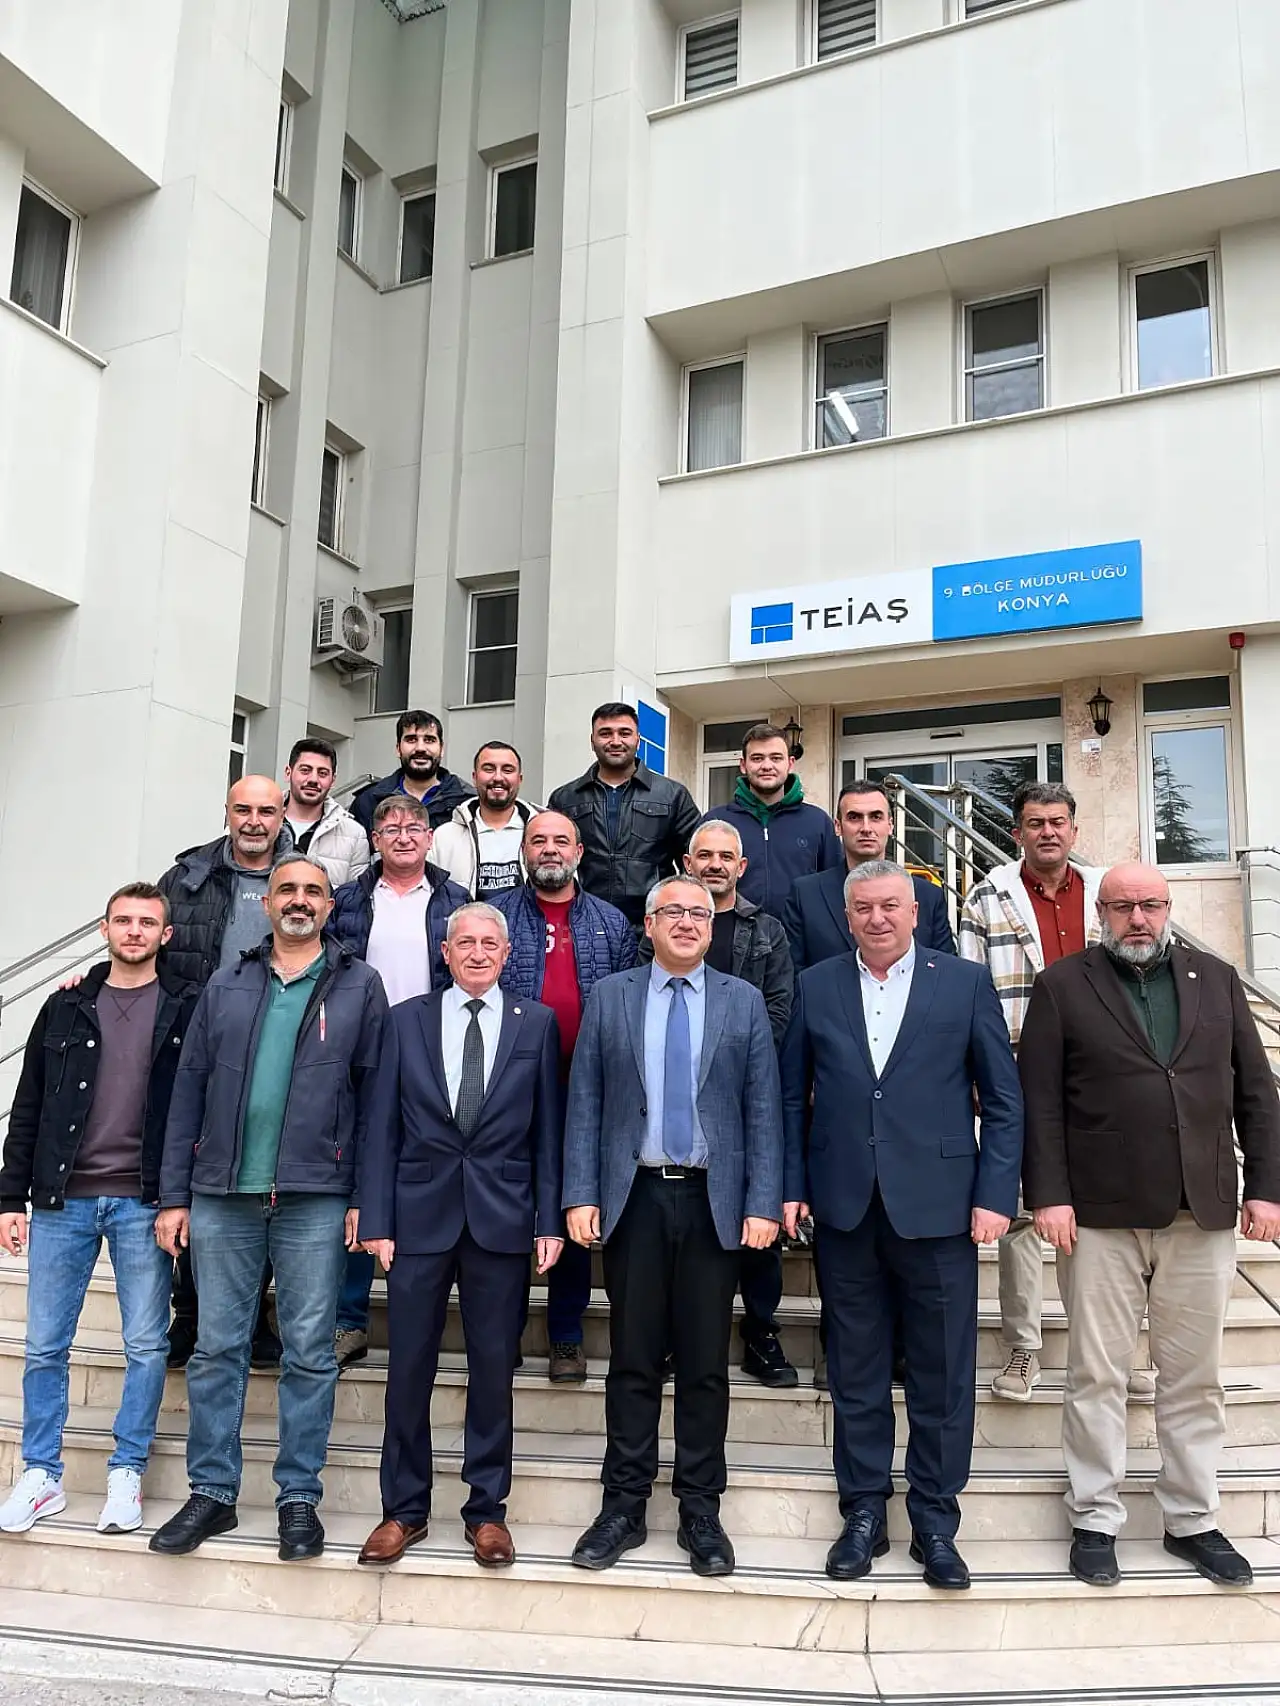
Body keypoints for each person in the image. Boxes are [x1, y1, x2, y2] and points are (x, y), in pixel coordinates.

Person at [1019, 862, 1280, 1591]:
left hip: (1201, 1209)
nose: (1138, 918)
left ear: (1168, 908)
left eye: (1151, 905)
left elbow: (1257, 1094)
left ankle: (1192, 1517)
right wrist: (1049, 1196)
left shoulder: (1217, 980)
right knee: (1096, 1373)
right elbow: (1040, 1102)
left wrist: (1267, 1188)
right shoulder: (1062, 986)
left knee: (1194, 1377)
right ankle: (1094, 1517)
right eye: (1123, 906)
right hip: (1098, 1215)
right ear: (1100, 912)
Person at [781, 861, 1022, 1591]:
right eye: (864, 908)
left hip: (942, 1208)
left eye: (891, 905)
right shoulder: (816, 984)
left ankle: (935, 1523)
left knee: (943, 1374)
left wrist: (995, 1194)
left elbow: (1003, 1100)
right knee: (855, 1371)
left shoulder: (964, 983)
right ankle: (862, 1513)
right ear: (848, 916)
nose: (878, 918)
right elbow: (792, 1098)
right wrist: (792, 1187)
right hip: (846, 1206)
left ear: (916, 911)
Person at [149, 858, 387, 1562]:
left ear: (330, 905)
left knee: (310, 1352)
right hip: (223, 1195)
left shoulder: (359, 985)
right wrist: (174, 1195)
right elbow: (188, 1090)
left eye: (313, 891)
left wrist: (366, 1200)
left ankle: (298, 1497)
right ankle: (212, 1492)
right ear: (267, 903)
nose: (299, 901)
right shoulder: (228, 983)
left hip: (317, 1197)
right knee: (216, 1349)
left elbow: (376, 1102)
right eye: (287, 889)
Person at [563, 876, 783, 1578]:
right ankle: (623, 1506)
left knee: (704, 1364)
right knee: (632, 1358)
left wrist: (763, 1202)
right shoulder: (612, 996)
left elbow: (763, 1108)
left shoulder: (742, 1001)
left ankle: (700, 1508)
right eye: (673, 912)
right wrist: (579, 1193)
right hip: (635, 1199)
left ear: (712, 929)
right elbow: (586, 1098)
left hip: (714, 1203)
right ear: (649, 925)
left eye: (699, 913)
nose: (687, 922)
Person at [355, 904, 564, 1569]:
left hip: (502, 1218)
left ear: (507, 953)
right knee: (407, 1369)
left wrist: (549, 1219)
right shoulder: (405, 1019)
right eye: (464, 942)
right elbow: (380, 1126)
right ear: (444, 953)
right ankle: (403, 1509)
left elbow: (548, 1133)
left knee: (493, 1369)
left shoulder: (537, 1023)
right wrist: (376, 1217)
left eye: (488, 943)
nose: (477, 953)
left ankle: (486, 1512)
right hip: (417, 1217)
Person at [0, 885, 197, 1537]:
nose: (134, 931)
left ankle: (127, 1470)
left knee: (145, 1344)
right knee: (44, 1345)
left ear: (166, 935)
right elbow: (28, 1104)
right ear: (104, 929)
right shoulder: (65, 1005)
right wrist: (10, 1198)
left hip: (144, 1202)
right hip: (64, 1199)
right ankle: (41, 1474)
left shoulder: (186, 1006)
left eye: (147, 922)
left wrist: (180, 1196)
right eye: (123, 921)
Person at [958, 781, 1109, 1403]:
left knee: (1096, 1216)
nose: (1047, 832)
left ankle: (1102, 1348)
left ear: (1073, 829)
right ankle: (1023, 1348)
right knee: (1020, 1217)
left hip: (1101, 1076)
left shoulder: (1106, 893)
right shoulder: (988, 896)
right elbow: (971, 993)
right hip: (1017, 1071)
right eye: (1035, 823)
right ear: (1016, 832)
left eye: (1057, 821)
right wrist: (976, 1072)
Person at [638, 820, 795, 1387]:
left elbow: (779, 1008)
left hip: (742, 1092)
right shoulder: (663, 923)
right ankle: (671, 1340)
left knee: (754, 1219)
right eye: (704, 855)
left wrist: (729, 1059)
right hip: (673, 1099)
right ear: (687, 862)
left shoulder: (767, 931)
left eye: (726, 856)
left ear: (741, 866)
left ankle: (760, 1331)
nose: (715, 864)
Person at [489, 812, 636, 1384]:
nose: (549, 850)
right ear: (523, 850)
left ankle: (567, 1335)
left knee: (575, 1204)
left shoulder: (611, 923)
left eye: (560, 841)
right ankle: (501, 1331)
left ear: (579, 851)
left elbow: (626, 1005)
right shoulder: (496, 915)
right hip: (511, 1085)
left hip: (585, 1085)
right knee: (506, 1207)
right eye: (538, 841)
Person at [157, 774, 295, 1370]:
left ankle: (255, 1312)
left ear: (282, 814)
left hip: (275, 1048)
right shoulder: (187, 877)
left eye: (266, 810)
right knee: (198, 1183)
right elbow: (148, 946)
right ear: (227, 813)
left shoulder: (302, 878)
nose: (254, 821)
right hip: (196, 1046)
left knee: (261, 1184)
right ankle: (188, 1314)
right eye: (244, 810)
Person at [327, 795, 468, 1366]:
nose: (403, 836)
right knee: (364, 1175)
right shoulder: (348, 900)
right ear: (375, 840)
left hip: (434, 1050)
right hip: (363, 1049)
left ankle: (441, 1308)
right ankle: (349, 1319)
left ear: (430, 838)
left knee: (432, 1168)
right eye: (391, 828)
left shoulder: (456, 899)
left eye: (414, 827)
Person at [547, 702, 701, 929]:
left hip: (652, 925)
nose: (615, 741)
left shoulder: (672, 795)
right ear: (592, 741)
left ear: (638, 739)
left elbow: (694, 862)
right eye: (605, 733)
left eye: (624, 733)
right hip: (583, 923)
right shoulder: (566, 799)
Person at [784, 780, 954, 970]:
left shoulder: (928, 896)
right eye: (854, 817)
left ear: (890, 825)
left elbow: (945, 971)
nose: (866, 828)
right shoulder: (805, 895)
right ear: (838, 826)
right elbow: (793, 975)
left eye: (875, 817)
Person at [703, 724, 840, 921]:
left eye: (776, 758)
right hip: (731, 934)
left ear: (790, 764)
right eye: (757, 758)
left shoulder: (818, 823)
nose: (767, 766)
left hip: (800, 936)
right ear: (743, 765)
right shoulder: (715, 822)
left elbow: (834, 888)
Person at [431, 742, 541, 900]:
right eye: (489, 769)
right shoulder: (444, 837)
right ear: (474, 777)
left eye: (507, 770)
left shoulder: (543, 834)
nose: (498, 777)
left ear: (520, 779)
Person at [351, 710, 474, 838]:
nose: (420, 748)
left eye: (429, 740)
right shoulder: (368, 802)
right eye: (411, 740)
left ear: (442, 749)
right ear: (398, 749)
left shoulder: (469, 802)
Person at [281, 737, 370, 890]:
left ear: (333, 780)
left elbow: (355, 898)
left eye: (322, 773)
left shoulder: (354, 834)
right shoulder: (261, 820)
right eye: (305, 770)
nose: (313, 779)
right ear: (288, 773)